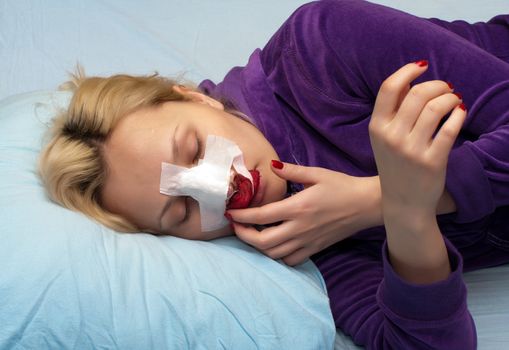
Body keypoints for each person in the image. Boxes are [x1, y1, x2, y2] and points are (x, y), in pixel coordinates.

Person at [38, 0, 509, 348]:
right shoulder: (288, 237)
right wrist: (408, 216)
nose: (222, 189)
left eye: (194, 148)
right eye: (182, 208)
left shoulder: (322, 42)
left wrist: (375, 200)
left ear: (194, 97)